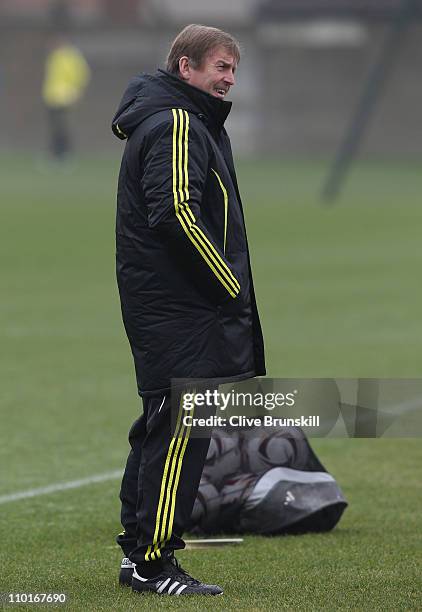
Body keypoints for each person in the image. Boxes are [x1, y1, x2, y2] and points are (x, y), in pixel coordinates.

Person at [112, 24, 265, 596]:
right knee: (179, 430)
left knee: (160, 426)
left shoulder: (184, 118)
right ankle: (155, 565)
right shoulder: (176, 121)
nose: (228, 80)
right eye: (221, 67)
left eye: (233, 70)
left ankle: (137, 558)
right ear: (186, 68)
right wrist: (228, 285)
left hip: (170, 305)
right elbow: (173, 212)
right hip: (180, 307)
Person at [42, 35, 90, 160]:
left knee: (63, 127)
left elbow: (82, 75)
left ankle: (63, 155)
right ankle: (56, 154)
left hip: (66, 98)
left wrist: (77, 92)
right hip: (53, 98)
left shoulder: (71, 57)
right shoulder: (54, 57)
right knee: (56, 128)